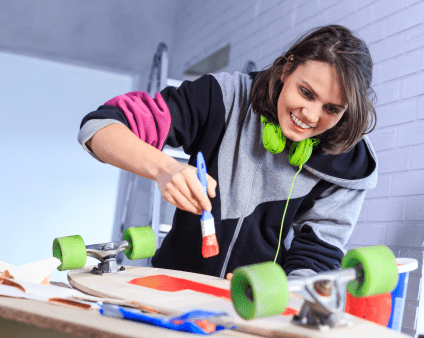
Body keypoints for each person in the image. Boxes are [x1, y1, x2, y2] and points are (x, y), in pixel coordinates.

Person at [78, 25, 378, 280]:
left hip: (251, 306)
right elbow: (100, 128)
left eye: (331, 109)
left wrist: (280, 293)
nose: (311, 116)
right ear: (287, 69)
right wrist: (164, 168)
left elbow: (317, 258)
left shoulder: (349, 163)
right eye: (306, 93)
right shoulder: (223, 97)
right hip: (170, 286)